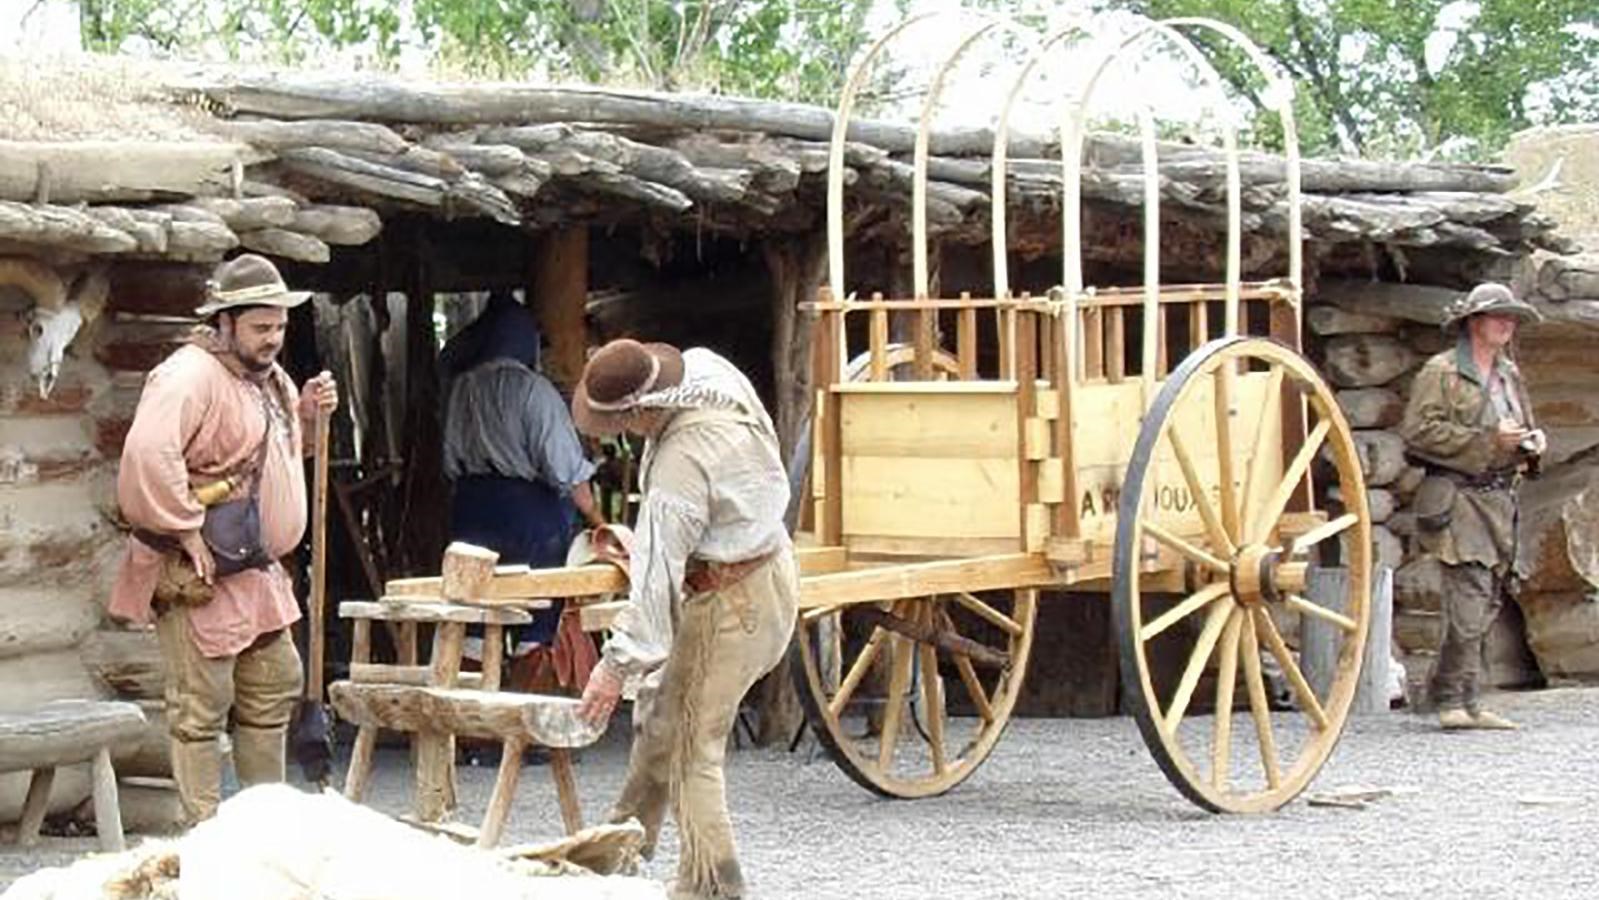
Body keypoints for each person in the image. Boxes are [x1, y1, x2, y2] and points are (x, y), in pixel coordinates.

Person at [108, 253, 338, 823]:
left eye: (280, 327)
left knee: (273, 689)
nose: (273, 339)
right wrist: (185, 527)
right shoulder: (187, 376)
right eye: (261, 328)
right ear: (225, 323)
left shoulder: (271, 378)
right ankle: (205, 839)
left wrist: (307, 415)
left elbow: (279, 457)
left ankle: (262, 832)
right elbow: (146, 456)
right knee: (200, 710)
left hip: (256, 570)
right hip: (204, 573)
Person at [573, 339, 797, 900]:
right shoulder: (707, 368)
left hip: (732, 603)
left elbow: (654, 588)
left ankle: (713, 885)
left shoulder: (680, 466)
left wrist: (613, 667)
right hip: (766, 567)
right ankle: (615, 853)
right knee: (660, 721)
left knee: (691, 747)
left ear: (639, 412)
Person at [441, 293, 604, 693]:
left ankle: (470, 727)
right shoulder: (536, 392)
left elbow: (450, 459)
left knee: (476, 613)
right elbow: (566, 471)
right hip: (531, 516)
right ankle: (527, 727)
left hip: (471, 510)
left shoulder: (462, 389)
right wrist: (602, 524)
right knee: (538, 614)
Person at [1399, 282, 1543, 732]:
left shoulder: (1508, 374)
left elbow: (1523, 425)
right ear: (1473, 323)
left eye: (1511, 317)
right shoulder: (1440, 372)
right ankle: (1450, 701)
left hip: (1501, 501)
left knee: (1488, 600)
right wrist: (1485, 441)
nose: (1507, 323)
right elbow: (1418, 434)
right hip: (1460, 499)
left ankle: (1462, 699)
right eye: (1498, 315)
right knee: (1469, 600)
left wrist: (1531, 445)